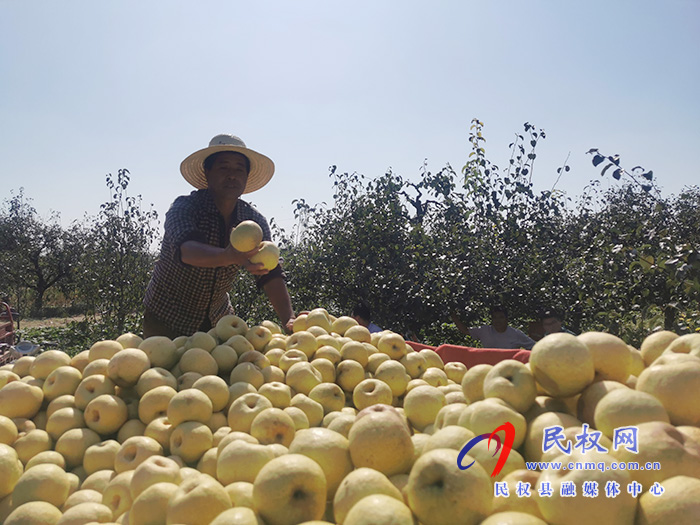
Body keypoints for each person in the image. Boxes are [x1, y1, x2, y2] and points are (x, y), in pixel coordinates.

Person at [143, 134, 296, 339]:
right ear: (207, 173)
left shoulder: (253, 220)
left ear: (246, 176)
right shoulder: (186, 207)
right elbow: (187, 250)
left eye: (239, 169)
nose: (232, 175)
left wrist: (289, 319)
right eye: (223, 167)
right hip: (168, 317)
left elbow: (270, 272)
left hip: (218, 319)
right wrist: (230, 255)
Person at [452, 306, 536, 350]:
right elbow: (465, 331)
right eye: (495, 317)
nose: (497, 320)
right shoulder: (484, 331)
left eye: (501, 317)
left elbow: (534, 347)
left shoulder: (516, 334)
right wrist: (454, 317)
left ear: (507, 319)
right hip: (489, 368)